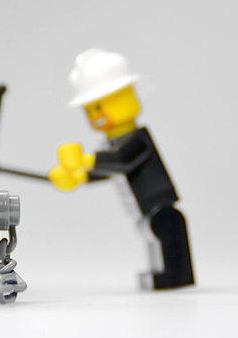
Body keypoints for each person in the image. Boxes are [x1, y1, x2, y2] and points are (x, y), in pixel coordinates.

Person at [49, 49, 194, 289]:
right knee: (153, 237)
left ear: (128, 97)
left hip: (160, 207)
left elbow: (122, 162)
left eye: (99, 106)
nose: (95, 116)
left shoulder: (137, 141)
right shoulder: (116, 144)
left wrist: (84, 161)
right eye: (89, 110)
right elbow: (113, 170)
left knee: (166, 235)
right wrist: (79, 177)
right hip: (146, 210)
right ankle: (161, 273)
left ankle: (174, 275)